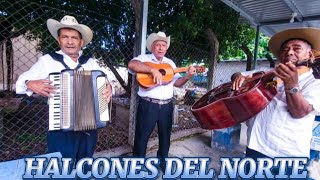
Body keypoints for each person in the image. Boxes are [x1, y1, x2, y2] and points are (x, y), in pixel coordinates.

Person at [15, 15, 112, 164]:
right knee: (61, 168)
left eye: (74, 37)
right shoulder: (48, 61)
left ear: (81, 42)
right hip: (60, 129)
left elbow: (106, 81)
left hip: (89, 127)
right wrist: (30, 83)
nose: (69, 41)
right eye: (65, 37)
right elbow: (20, 83)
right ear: (58, 40)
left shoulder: (90, 63)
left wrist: (109, 87)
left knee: (84, 165)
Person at [232, 28, 320, 165]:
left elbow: (299, 112)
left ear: (310, 54)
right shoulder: (269, 73)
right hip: (255, 146)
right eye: (285, 49)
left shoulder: (314, 81)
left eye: (297, 49)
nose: (289, 52)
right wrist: (237, 77)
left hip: (287, 155)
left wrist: (291, 83)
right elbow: (240, 74)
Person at [128, 31, 196, 170]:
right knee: (141, 137)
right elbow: (132, 65)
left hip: (166, 106)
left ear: (166, 48)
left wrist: (188, 76)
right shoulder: (144, 58)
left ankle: (163, 162)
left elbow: (177, 83)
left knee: (165, 137)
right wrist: (152, 70)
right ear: (152, 47)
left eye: (163, 45)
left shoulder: (170, 63)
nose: (160, 47)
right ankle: (137, 165)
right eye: (157, 44)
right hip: (148, 104)